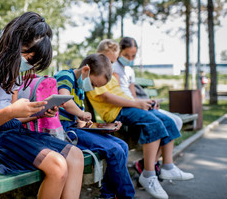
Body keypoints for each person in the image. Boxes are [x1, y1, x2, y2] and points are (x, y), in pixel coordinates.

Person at [0, 12, 84, 199]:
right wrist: (10, 112)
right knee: (58, 165)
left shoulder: (12, 72)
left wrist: (40, 112)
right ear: (14, 44)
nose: (28, 65)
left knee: (75, 156)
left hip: (13, 131)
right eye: (30, 59)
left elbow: (15, 116)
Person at [87, 40, 194, 199]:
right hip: (117, 111)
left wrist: (143, 103)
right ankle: (149, 174)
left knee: (169, 122)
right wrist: (136, 103)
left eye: (112, 62)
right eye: (108, 61)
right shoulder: (97, 73)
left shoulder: (107, 73)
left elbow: (125, 94)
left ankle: (168, 165)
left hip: (129, 106)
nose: (110, 65)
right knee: (154, 124)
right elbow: (106, 96)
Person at [54, 53, 135, 199]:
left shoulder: (80, 87)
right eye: (93, 84)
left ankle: (108, 195)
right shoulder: (65, 76)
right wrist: (81, 113)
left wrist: (105, 126)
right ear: (86, 70)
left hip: (75, 128)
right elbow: (64, 101)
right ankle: (127, 196)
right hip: (63, 131)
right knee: (114, 150)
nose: (92, 88)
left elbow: (80, 121)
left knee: (122, 146)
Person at [106, 37, 184, 177]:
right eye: (126, 55)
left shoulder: (130, 71)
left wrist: (148, 102)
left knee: (176, 121)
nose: (130, 58)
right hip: (126, 107)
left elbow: (133, 95)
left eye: (133, 55)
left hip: (134, 104)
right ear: (119, 52)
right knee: (160, 123)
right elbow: (116, 94)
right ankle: (150, 167)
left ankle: (150, 163)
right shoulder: (114, 68)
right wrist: (138, 103)